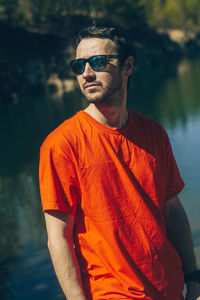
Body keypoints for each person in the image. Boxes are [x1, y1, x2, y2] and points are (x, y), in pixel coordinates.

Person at [39, 24, 200, 300]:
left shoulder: (154, 133)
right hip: (111, 293)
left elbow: (172, 211)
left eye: (98, 62)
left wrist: (194, 280)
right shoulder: (61, 145)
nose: (86, 73)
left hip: (170, 289)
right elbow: (58, 239)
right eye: (79, 66)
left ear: (128, 66)